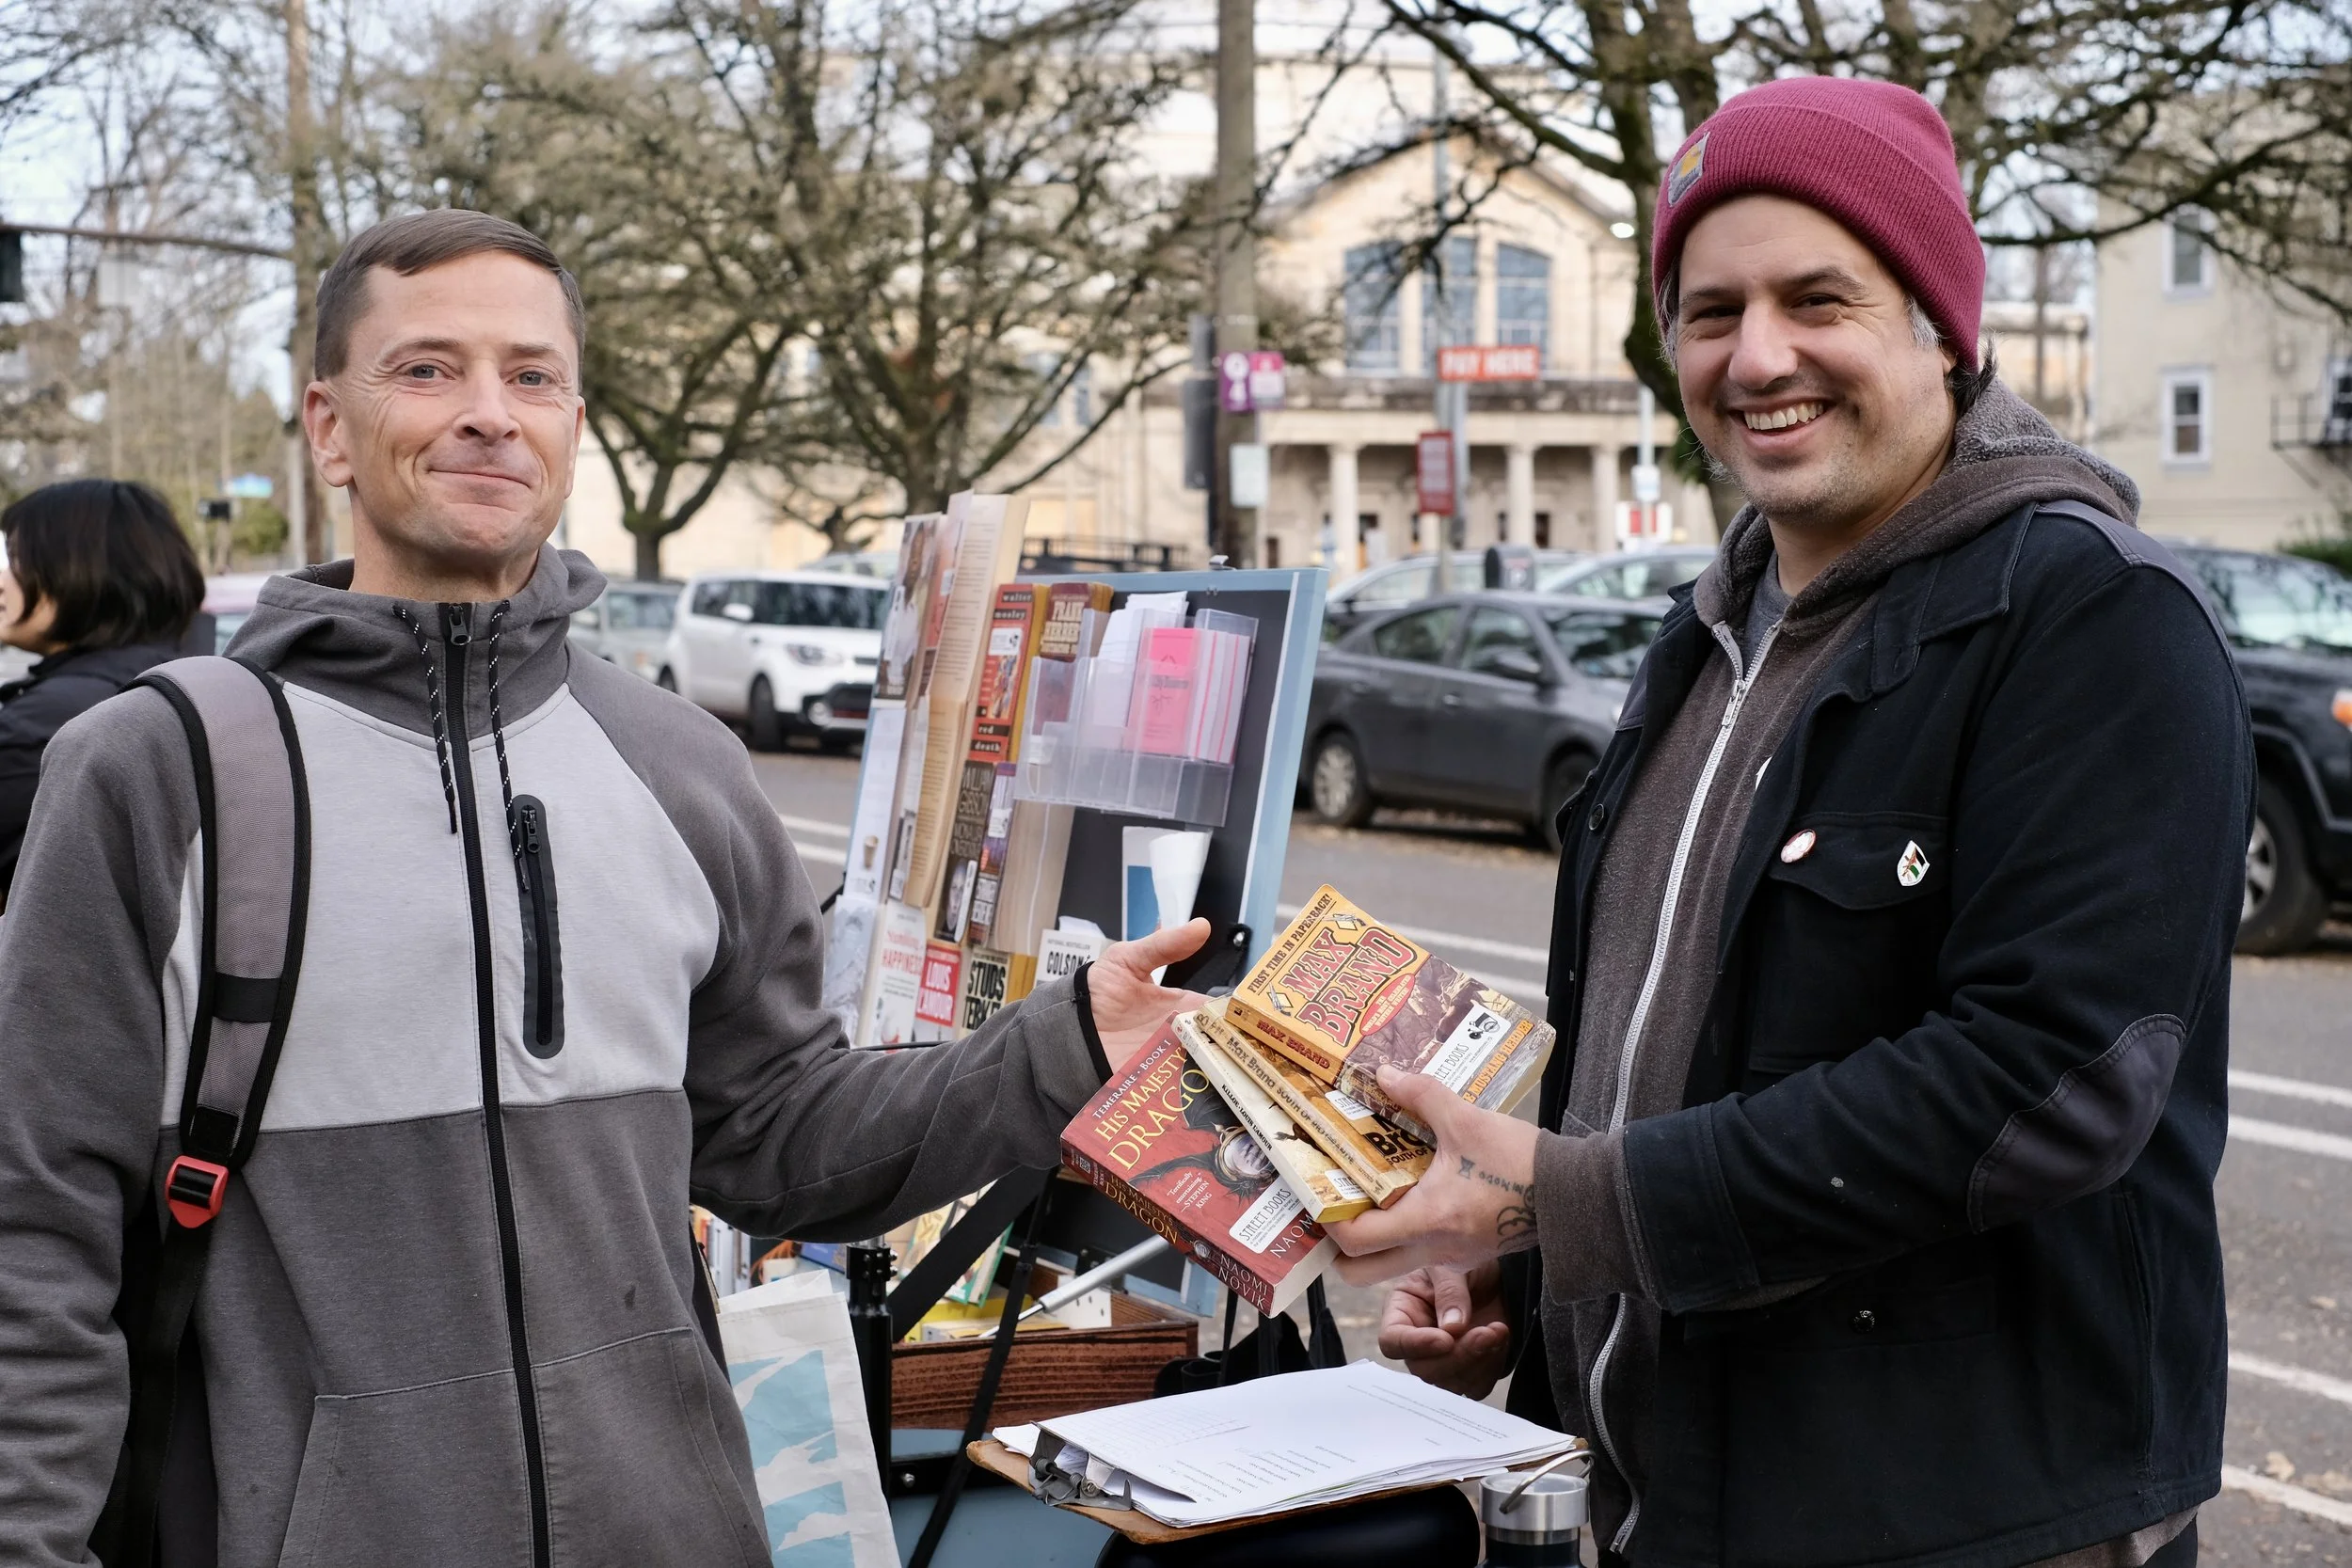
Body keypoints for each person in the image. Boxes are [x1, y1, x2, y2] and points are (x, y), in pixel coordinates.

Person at [0, 209, 1207, 1564]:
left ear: (573, 422)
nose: (487, 415)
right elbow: (34, 1231)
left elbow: (779, 1134)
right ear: (329, 428)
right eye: (426, 370)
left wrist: (1068, 1045)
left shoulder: (680, 761)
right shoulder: (155, 770)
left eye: (530, 375)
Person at [1331, 77, 2248, 1568]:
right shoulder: (1703, 635)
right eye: (1711, 310)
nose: (1758, 356)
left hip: (1965, 1524)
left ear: (1939, 325)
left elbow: (2045, 1077)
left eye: (1819, 297)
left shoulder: (2093, 619)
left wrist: (1572, 1200)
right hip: (1665, 1502)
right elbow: (1658, 1050)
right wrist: (1514, 1259)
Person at [0, 479, 205, 902]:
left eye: (17, 559)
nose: (3, 580)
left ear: (83, 572)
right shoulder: (199, 682)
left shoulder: (37, 726)